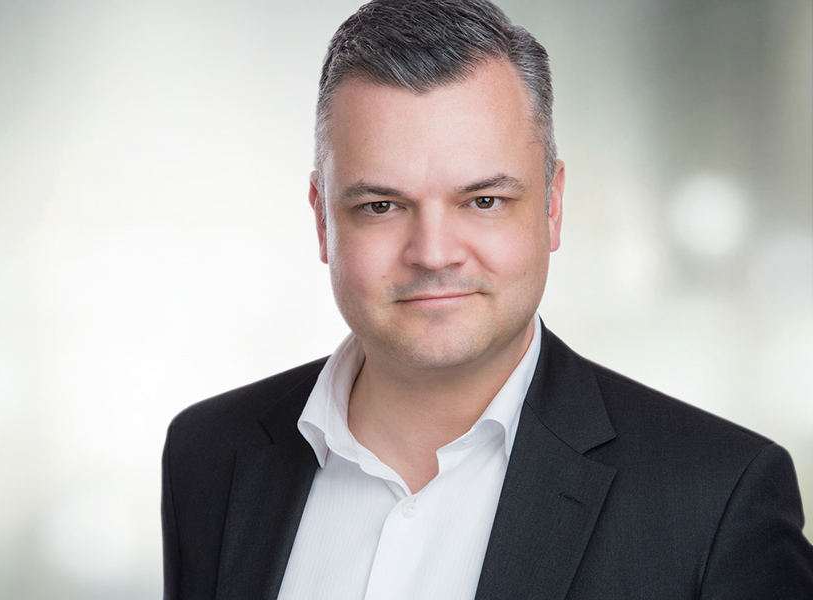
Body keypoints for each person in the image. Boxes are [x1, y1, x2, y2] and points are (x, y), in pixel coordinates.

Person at [160, 0, 813, 598]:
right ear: (322, 220)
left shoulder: (717, 499)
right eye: (381, 205)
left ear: (553, 207)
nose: (435, 252)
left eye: (484, 201)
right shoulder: (209, 455)